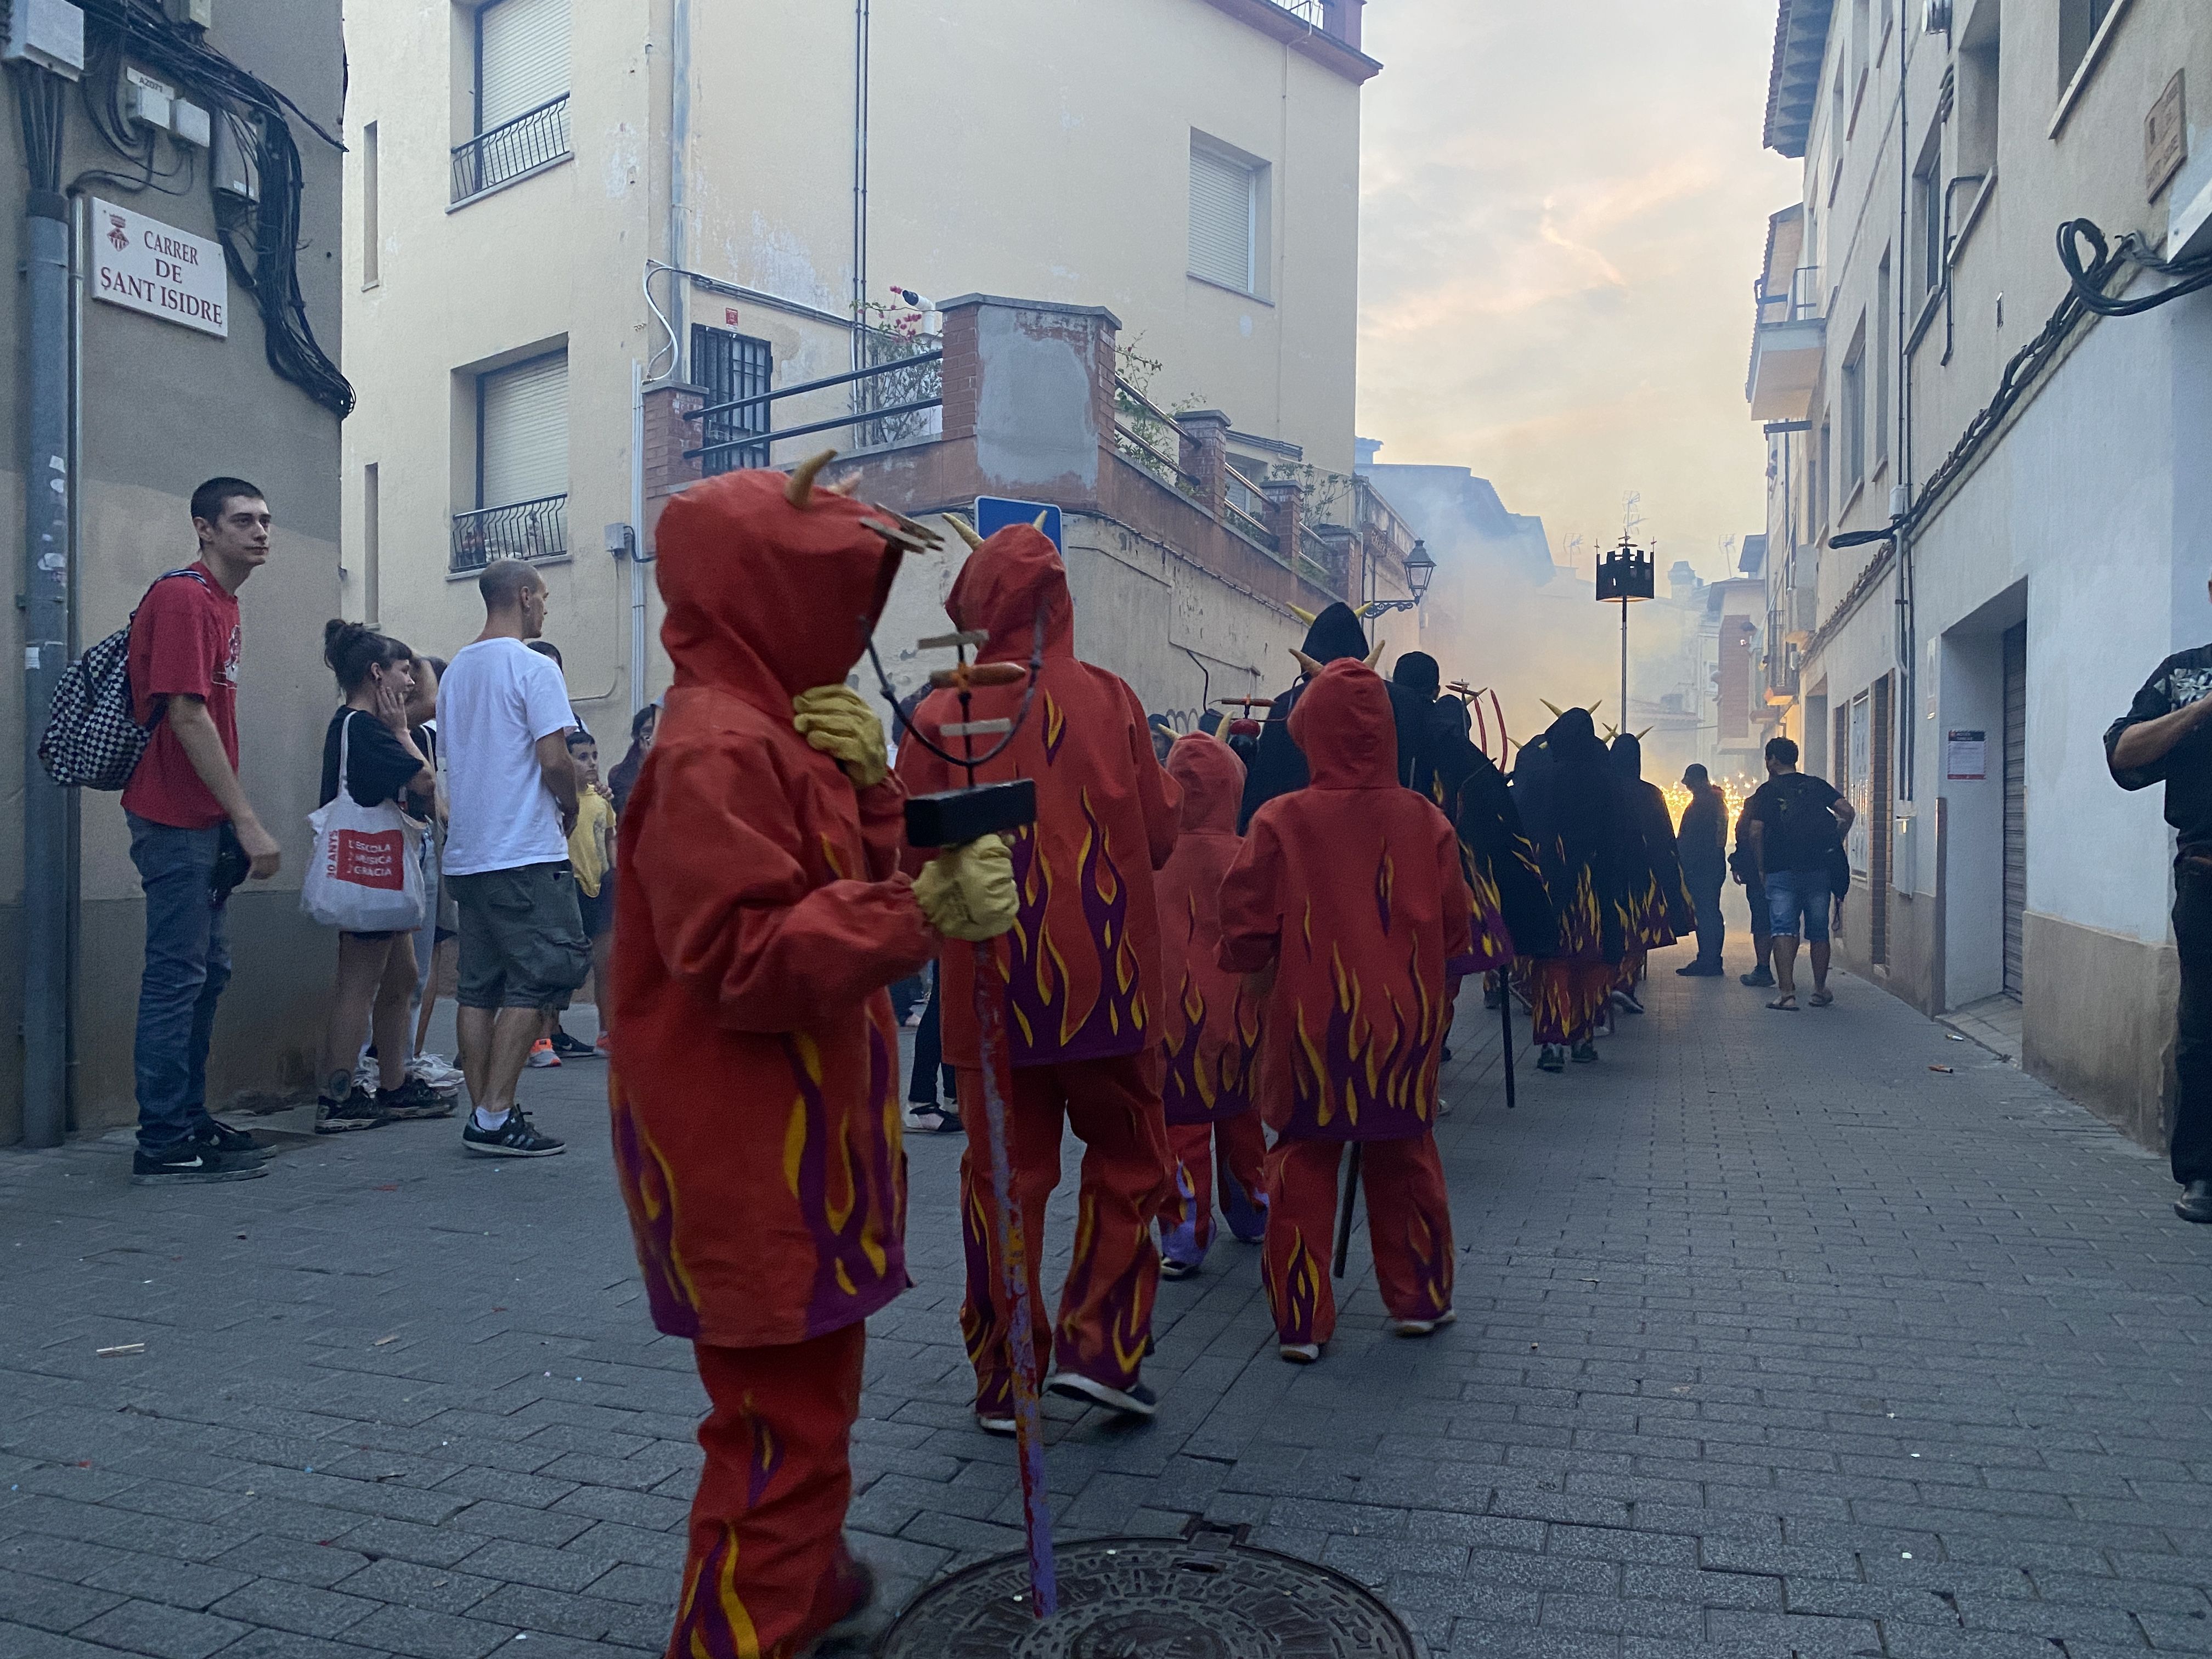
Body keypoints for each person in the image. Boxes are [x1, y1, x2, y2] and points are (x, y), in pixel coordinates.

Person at [606, 459, 1014, 1659]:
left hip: (801, 1156)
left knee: (801, 1416)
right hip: (748, 1163)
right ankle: (747, 1625)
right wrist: (920, 915)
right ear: (764, 597)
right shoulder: (713, 751)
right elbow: (738, 957)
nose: (854, 625)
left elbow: (834, 884)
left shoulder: (770, 729)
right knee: (776, 1432)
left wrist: (872, 789)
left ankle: (809, 1582)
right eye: (831, 594)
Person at [895, 517, 1183, 1431]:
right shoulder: (1113, 699)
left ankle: (1005, 1375)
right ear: (1059, 602)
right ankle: (1100, 1346)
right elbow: (1165, 836)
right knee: (1131, 1158)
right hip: (1110, 987)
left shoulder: (938, 712)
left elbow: (904, 860)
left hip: (988, 995)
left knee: (1002, 1179)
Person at [1218, 658, 1472, 1363]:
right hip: (1403, 1023)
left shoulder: (1280, 820)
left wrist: (1249, 973)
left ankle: (1302, 1321)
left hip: (1309, 1021)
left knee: (1302, 1161)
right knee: (1405, 1152)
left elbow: (1242, 922)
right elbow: (1456, 927)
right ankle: (1418, 1298)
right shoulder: (1427, 820)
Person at [123, 478, 284, 1186]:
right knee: (176, 977)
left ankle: (186, 1120)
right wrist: (248, 823)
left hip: (202, 822)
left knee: (205, 974)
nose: (260, 532)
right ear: (204, 528)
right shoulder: (186, 597)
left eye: (265, 520)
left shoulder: (225, 602)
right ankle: (161, 1140)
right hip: (172, 816)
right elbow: (186, 716)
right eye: (243, 520)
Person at [437, 559, 590, 1155]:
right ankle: (496, 1116)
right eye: (544, 597)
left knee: (477, 988)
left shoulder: (454, 674)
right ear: (524, 597)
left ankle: (487, 1115)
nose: (546, 608)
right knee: (544, 973)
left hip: (469, 853)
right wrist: (572, 805)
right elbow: (555, 759)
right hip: (523, 849)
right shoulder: (532, 667)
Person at [313, 622, 450, 1133]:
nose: (412, 682)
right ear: (377, 674)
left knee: (401, 977)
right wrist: (399, 732)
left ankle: (394, 1084)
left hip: (383, 871)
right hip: (370, 869)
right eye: (403, 671)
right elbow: (424, 778)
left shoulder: (355, 725)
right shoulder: (365, 728)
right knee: (359, 983)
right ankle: (339, 1095)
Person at [2106, 621, 2212, 1222]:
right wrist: (2202, 708)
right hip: (2208, 877)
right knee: (2203, 1032)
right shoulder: (2185, 674)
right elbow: (2124, 754)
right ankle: (2203, 1175)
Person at [1154, 732, 1267, 1279]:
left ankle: (1184, 1238)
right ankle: (1253, 1211)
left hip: (1172, 1024)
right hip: (1243, 1019)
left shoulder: (1150, 857)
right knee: (1242, 1120)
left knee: (1182, 1130)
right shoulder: (1247, 854)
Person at [1513, 710, 1629, 1071]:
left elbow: (1528, 828)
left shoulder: (1546, 778)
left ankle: (1552, 1045)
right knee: (1592, 964)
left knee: (1553, 963)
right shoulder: (1609, 781)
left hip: (1556, 886)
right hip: (1598, 890)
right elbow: (1620, 839)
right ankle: (1584, 1039)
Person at [1740, 736, 1854, 1012]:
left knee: (1783, 929)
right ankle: (1819, 989)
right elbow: (1847, 812)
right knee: (1818, 930)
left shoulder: (1766, 792)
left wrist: (1761, 866)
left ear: (1773, 760)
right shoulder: (1816, 785)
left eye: (1768, 759)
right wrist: (1835, 839)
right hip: (1818, 869)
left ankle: (1787, 994)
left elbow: (1755, 831)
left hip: (1780, 870)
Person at [1239, 601, 1376, 830]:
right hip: (1373, 831)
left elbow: (1266, 782)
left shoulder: (1287, 704)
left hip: (1297, 827)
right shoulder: (1388, 700)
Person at [1608, 732, 1692, 1013]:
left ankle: (1604, 984)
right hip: (1643, 875)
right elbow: (1666, 838)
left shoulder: (1602, 789)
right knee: (1637, 931)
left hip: (1606, 875)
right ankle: (1625, 983)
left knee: (1609, 929)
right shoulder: (1651, 793)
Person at [557, 729, 616, 1058]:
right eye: (582, 758)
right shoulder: (559, 798)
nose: (591, 763)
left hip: (601, 886)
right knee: (558, 964)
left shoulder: (601, 800)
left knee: (606, 965)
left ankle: (606, 1034)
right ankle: (543, 1035)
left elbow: (609, 836)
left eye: (594, 756)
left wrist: (615, 869)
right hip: (569, 885)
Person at [1675, 763, 1730, 976]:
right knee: (1711, 912)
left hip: (1702, 866)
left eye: (1688, 781)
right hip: (1713, 864)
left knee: (1706, 914)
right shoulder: (1716, 801)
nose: (1686, 785)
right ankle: (1711, 958)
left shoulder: (1703, 804)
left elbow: (1691, 839)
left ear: (1697, 780)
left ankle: (1708, 960)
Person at [1731, 798, 1775, 988]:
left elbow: (1745, 835)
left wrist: (1740, 864)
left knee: (1762, 920)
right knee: (1788, 924)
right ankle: (1809, 983)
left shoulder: (1758, 801)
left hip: (1760, 874)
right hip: (1796, 870)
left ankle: (1764, 969)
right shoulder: (1806, 795)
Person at [606, 701, 658, 815]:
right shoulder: (619, 774)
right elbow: (625, 813)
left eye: (657, 731)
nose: (653, 738)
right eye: (648, 732)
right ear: (636, 735)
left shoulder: (672, 771)